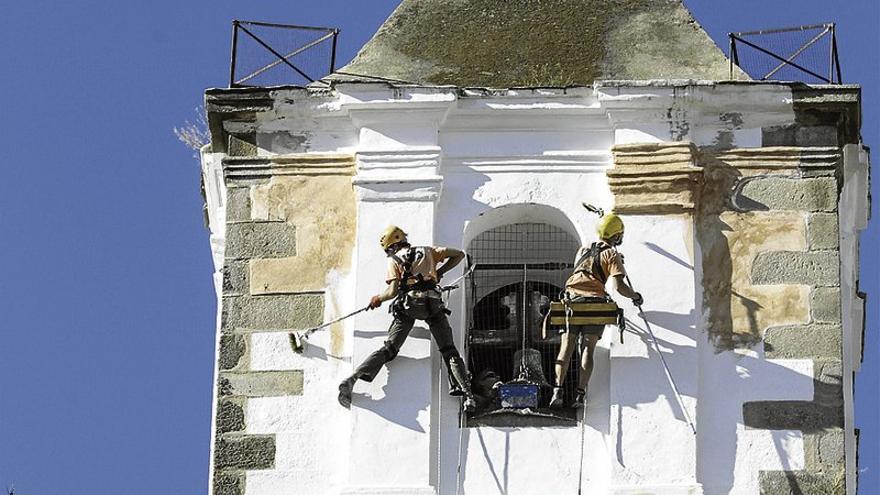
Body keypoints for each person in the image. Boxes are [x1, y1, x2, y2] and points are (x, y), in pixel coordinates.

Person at [338, 225, 477, 412]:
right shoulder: (428, 251)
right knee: (448, 349)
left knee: (390, 348)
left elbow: (393, 291)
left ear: (391, 247)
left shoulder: (394, 260)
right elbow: (459, 254)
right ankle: (468, 396)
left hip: (409, 306)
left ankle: (353, 379)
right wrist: (440, 272)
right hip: (433, 304)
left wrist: (377, 299)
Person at [549, 213, 642, 408]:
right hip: (594, 304)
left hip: (571, 301)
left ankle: (557, 389)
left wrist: (614, 261)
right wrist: (635, 296)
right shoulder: (612, 254)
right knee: (587, 350)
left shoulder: (582, 250)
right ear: (617, 236)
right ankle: (580, 394)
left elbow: (586, 268)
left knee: (566, 347)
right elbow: (619, 288)